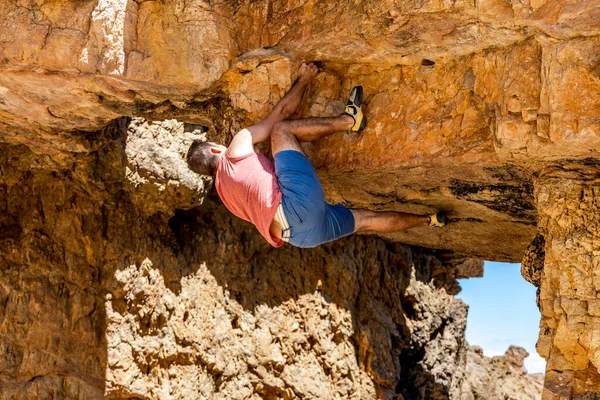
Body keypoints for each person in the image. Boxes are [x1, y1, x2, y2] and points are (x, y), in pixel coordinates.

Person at [186, 62, 447, 248]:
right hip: (295, 206)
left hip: (299, 238)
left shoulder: (225, 196)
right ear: (214, 149)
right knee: (280, 130)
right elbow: (280, 115)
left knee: (364, 220)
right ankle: (348, 121)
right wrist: (305, 79)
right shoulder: (235, 148)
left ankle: (429, 220)